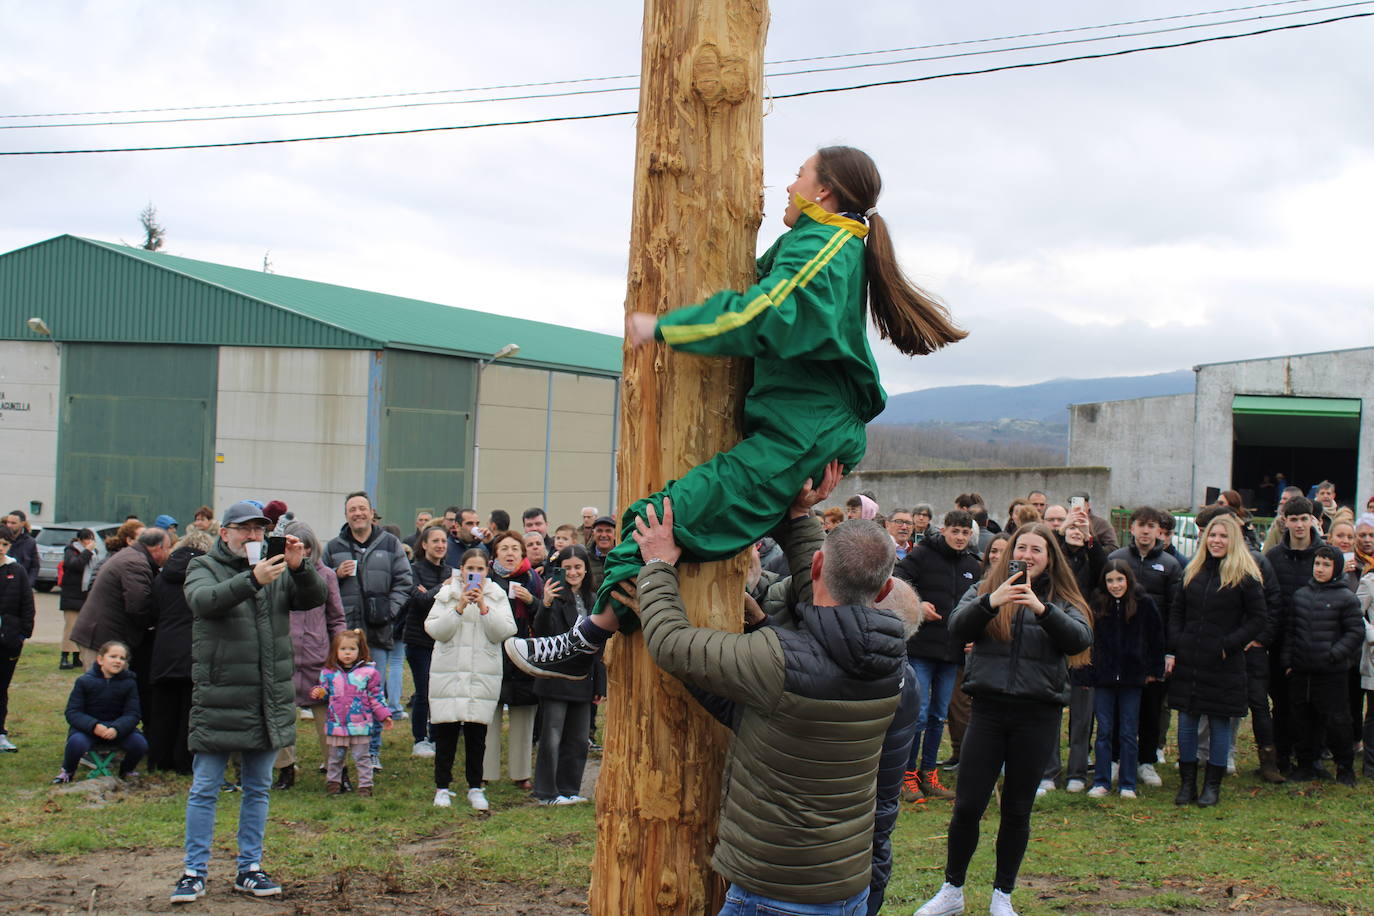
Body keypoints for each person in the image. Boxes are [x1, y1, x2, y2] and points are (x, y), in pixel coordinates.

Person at [507, 145, 966, 684]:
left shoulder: (827, 244)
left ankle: (587, 640)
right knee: (706, 525)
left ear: (825, 191)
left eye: (799, 176)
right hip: (799, 435)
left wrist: (667, 328)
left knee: (659, 518)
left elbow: (764, 310)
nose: (787, 187)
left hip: (801, 436)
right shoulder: (821, 243)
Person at [633, 477, 908, 916]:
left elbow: (670, 642)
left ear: (816, 566)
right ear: (886, 591)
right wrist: (799, 517)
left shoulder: (778, 660)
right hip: (845, 885)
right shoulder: (893, 662)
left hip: (775, 893)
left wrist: (658, 567)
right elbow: (819, 604)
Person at [914, 522, 1092, 916]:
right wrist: (992, 601)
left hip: (1038, 713)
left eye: (1037, 550)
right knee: (967, 806)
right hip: (989, 711)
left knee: (1017, 810)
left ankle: (1002, 896)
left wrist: (1041, 609)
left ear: (1050, 558)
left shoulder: (1061, 597)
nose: (1028, 556)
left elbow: (1080, 639)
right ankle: (952, 890)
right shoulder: (985, 588)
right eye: (1022, 547)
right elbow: (956, 627)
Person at [171, 500, 325, 905]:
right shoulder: (202, 566)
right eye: (244, 529)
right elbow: (204, 602)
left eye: (259, 530)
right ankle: (193, 871)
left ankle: (249, 868)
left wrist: (298, 566)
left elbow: (315, 597)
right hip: (221, 694)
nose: (253, 536)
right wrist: (252, 580)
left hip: (266, 695)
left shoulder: (276, 569)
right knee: (205, 787)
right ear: (225, 533)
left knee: (258, 787)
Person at [1165, 514, 1266, 808]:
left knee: (1220, 722)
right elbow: (1177, 612)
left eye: (1222, 536)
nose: (1216, 541)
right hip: (1190, 659)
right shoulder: (1192, 572)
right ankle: (1187, 784)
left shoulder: (1245, 576)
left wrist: (1229, 645)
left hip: (1223, 662)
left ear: (1232, 540)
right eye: (1212, 535)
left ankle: (1212, 785)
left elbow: (1258, 618)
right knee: (1186, 721)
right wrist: (1178, 643)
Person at [894, 509, 981, 803]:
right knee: (917, 714)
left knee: (938, 715)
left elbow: (979, 605)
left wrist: (975, 635)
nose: (959, 537)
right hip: (921, 647)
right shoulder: (922, 554)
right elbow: (897, 582)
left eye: (965, 532)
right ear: (943, 530)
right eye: (955, 531)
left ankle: (929, 773)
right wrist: (919, 605)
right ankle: (906, 774)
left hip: (952, 651)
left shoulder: (973, 565)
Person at [324, 491, 412, 770]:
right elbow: (319, 584)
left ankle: (372, 751)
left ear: (372, 512)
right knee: (341, 695)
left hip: (378, 630)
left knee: (374, 694)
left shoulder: (390, 543)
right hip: (346, 635)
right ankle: (341, 752)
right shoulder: (334, 547)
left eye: (363, 508)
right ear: (346, 514)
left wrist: (389, 611)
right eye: (353, 509)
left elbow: (404, 580)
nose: (358, 513)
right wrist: (335, 576)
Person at [426, 548, 516, 811]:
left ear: (487, 571)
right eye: (470, 569)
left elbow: (505, 631)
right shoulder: (446, 594)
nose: (474, 574)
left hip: (481, 673)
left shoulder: (497, 596)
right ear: (461, 569)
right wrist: (460, 606)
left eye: (480, 569)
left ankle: (475, 786)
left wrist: (484, 608)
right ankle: (442, 787)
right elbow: (435, 630)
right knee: (446, 732)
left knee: (477, 734)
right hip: (449, 672)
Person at [1107, 507, 1182, 790]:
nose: (1146, 531)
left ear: (1158, 530)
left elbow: (1175, 610)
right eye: (1142, 525)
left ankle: (1146, 760)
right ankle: (1114, 759)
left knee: (1151, 708)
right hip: (1119, 647)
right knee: (1116, 707)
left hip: (1153, 648)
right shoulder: (1116, 559)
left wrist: (1170, 651)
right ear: (1133, 528)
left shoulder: (1170, 565)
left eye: (1152, 526)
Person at [1282, 545, 1363, 785]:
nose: (1320, 569)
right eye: (1317, 563)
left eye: (1326, 565)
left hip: (1330, 672)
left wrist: (1335, 653)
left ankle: (1345, 767)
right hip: (1301, 670)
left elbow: (1355, 632)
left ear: (1336, 568)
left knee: (1337, 721)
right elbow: (1290, 631)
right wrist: (1287, 660)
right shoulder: (1301, 595)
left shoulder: (1345, 597)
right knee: (1303, 720)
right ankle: (1306, 764)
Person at [532, 545, 605, 804]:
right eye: (567, 568)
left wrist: (601, 685)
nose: (573, 572)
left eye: (577, 567)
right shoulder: (553, 598)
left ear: (586, 569)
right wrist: (546, 603)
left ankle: (569, 789)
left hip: (584, 678)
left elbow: (600, 646)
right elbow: (541, 634)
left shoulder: (593, 600)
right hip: (555, 677)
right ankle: (546, 792)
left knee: (577, 737)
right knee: (551, 737)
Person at [1085, 561, 1164, 798]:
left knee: (1129, 731)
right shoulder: (1097, 604)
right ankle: (1102, 780)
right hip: (1104, 676)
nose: (1115, 585)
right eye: (1110, 580)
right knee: (1104, 730)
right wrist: (1089, 671)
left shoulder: (1144, 604)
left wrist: (1153, 669)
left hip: (1133, 676)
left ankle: (1128, 783)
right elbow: (1089, 640)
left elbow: (1156, 638)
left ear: (1128, 580)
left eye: (1120, 580)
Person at [276, 521, 345, 790]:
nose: (300, 554)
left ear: (311, 549)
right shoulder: (278, 575)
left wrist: (338, 652)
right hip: (285, 657)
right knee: (282, 719)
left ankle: (336, 770)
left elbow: (336, 616)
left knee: (327, 719)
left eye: (304, 548)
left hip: (318, 658)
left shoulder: (326, 575)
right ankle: (284, 770)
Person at [1264, 495, 1326, 775]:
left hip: (1313, 642)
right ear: (1285, 521)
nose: (1299, 525)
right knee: (1282, 703)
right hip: (1279, 643)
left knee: (1313, 705)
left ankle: (1310, 759)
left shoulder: (1324, 554)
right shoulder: (1273, 557)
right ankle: (1281, 757)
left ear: (1312, 519)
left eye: (1304, 519)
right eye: (1294, 519)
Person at [146, 528, 215, 775]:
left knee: (163, 709)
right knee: (190, 711)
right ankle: (184, 761)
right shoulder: (206, 576)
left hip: (164, 648)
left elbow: (152, 610)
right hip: (194, 648)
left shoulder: (162, 578)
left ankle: (159, 759)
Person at [484, 531, 543, 789]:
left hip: (523, 653)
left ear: (522, 553)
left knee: (523, 714)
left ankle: (521, 773)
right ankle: (485, 772)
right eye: (504, 548)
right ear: (495, 554)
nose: (509, 553)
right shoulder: (486, 579)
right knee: (489, 715)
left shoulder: (533, 578)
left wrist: (532, 602)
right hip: (492, 652)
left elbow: (546, 616)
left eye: (514, 549)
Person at [70, 527, 173, 670]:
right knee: (103, 688)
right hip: (102, 640)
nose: (169, 554)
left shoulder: (132, 556)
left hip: (102, 634)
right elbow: (138, 606)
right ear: (157, 548)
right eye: (168, 548)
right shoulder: (136, 563)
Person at [310, 630, 391, 796]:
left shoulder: (369, 673)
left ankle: (365, 786)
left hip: (360, 725)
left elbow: (376, 697)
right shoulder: (329, 673)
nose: (347, 653)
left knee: (362, 757)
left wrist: (384, 715)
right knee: (335, 758)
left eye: (352, 649)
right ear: (335, 651)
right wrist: (318, 692)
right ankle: (333, 784)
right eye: (343, 649)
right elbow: (324, 690)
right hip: (337, 724)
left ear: (360, 650)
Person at [52, 640, 147, 783]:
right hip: (88, 729)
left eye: (122, 658)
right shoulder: (84, 681)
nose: (117, 661)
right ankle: (68, 771)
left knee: (140, 744)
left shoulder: (129, 683)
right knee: (76, 743)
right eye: (113, 656)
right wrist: (94, 726)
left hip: (118, 729)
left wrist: (117, 728)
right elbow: (73, 712)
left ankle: (127, 770)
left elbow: (133, 714)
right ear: (100, 659)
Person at [402, 525, 450, 759]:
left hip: (443, 641)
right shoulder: (414, 570)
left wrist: (432, 593)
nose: (440, 545)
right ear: (424, 544)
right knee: (423, 692)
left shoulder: (451, 571)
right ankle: (419, 739)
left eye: (443, 541)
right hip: (419, 641)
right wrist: (442, 589)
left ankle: (436, 736)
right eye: (435, 541)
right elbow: (420, 600)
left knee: (440, 692)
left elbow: (444, 602)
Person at [0, 527, 36, 752]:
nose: (0, 548)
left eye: (4, 544)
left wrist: (22, 634)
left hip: (8, 640)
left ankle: (0, 734)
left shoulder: (17, 571)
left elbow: (27, 605)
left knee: (1, 687)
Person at [58, 528, 97, 670]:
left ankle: (77, 658)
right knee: (70, 627)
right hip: (72, 595)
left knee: (82, 628)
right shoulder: (70, 550)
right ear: (80, 540)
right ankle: (64, 657)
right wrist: (87, 551)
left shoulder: (93, 553)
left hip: (85, 595)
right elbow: (75, 565)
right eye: (87, 539)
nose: (90, 542)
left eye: (91, 539)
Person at [3, 511, 39, 585]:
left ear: (22, 524)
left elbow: (34, 566)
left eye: (13, 523)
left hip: (20, 585)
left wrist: (28, 584)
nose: (9, 525)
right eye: (8, 522)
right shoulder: (2, 539)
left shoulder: (29, 542)